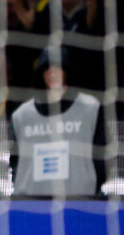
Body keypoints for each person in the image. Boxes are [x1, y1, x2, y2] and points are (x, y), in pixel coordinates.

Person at [9, 48, 106, 197]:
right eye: (47, 70)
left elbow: (102, 156)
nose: (52, 74)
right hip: (32, 203)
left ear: (66, 71)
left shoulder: (90, 108)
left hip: (80, 201)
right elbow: (15, 162)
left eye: (57, 69)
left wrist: (91, 189)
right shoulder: (22, 116)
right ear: (41, 74)